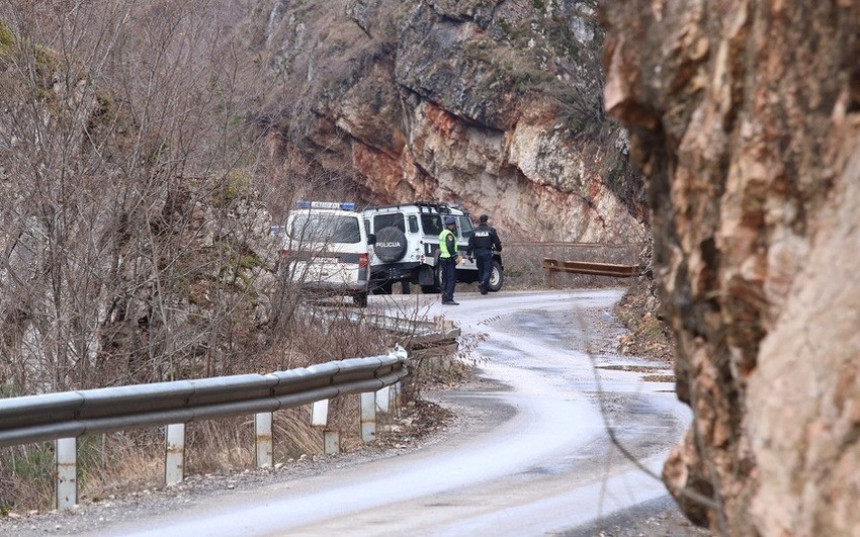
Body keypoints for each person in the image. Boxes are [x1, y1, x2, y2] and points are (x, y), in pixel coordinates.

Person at [467, 214, 503, 295]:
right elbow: (496, 241)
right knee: (488, 269)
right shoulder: (491, 230)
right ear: (486, 220)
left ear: (480, 220)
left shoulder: (474, 231)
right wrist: (499, 248)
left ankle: (483, 288)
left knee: (481, 269)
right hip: (487, 252)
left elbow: (470, 243)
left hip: (477, 252)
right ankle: (483, 282)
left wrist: (469, 254)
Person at [438, 216, 461, 305]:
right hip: (449, 259)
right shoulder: (449, 235)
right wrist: (455, 257)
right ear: (452, 225)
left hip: (443, 258)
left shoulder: (442, 233)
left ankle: (444, 299)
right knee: (451, 279)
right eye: (454, 225)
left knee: (444, 280)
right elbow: (450, 246)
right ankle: (449, 298)